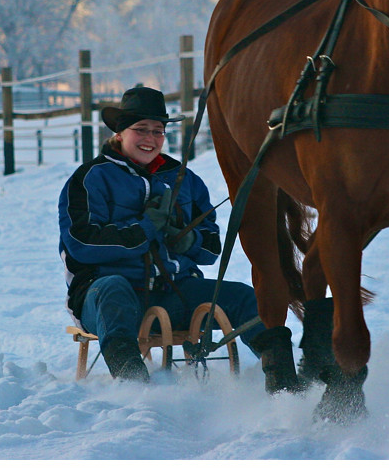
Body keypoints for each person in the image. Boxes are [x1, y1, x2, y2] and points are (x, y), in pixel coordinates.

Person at [58, 86, 299, 389]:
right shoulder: (90, 178)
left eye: (158, 131)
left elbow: (211, 247)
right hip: (107, 299)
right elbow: (81, 243)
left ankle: (288, 387)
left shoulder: (184, 179)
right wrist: (146, 227)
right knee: (113, 289)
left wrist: (187, 241)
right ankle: (136, 391)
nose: (150, 139)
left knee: (245, 298)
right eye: (140, 130)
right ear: (120, 133)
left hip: (175, 293)